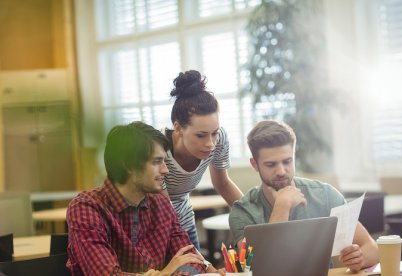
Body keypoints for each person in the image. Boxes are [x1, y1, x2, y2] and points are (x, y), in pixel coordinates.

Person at [66, 121, 223, 275]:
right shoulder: (86, 208)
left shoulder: (160, 203)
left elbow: (191, 259)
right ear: (128, 165)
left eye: (164, 161)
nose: (165, 170)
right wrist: (165, 273)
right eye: (157, 162)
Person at [228, 120, 379, 272]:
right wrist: (282, 207)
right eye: (271, 164)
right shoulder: (243, 211)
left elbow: (372, 248)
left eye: (287, 161)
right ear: (255, 164)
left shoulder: (324, 195)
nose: (281, 171)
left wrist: (360, 258)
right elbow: (257, 268)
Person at [161, 70, 243, 248]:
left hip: (184, 221)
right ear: (178, 128)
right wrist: (203, 263)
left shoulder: (219, 139)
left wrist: (253, 219)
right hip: (155, 228)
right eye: (201, 135)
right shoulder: (158, 149)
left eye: (214, 133)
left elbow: (223, 184)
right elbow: (162, 208)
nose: (211, 143)